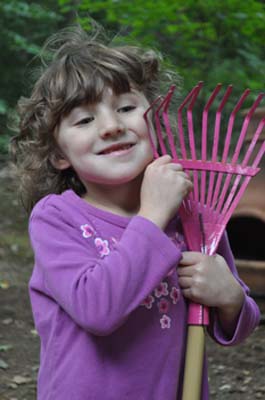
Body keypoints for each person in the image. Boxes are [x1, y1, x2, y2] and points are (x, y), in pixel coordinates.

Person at [11, 26, 260, 400]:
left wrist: (231, 299)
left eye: (126, 108)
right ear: (60, 155)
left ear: (157, 120)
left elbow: (234, 327)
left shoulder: (195, 215)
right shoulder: (56, 218)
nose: (112, 127)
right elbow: (97, 310)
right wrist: (153, 214)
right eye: (84, 120)